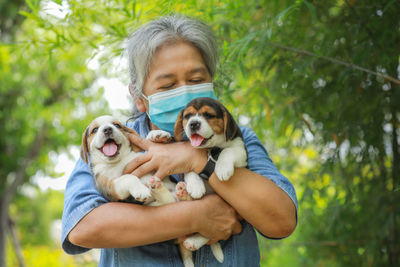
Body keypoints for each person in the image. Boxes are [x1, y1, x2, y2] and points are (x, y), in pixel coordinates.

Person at [62, 14, 298, 266]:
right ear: (139, 97)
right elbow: (82, 227)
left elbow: (281, 221)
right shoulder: (112, 146)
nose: (185, 92)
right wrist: (195, 216)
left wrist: (198, 161)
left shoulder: (235, 139)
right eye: (167, 86)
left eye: (196, 81)